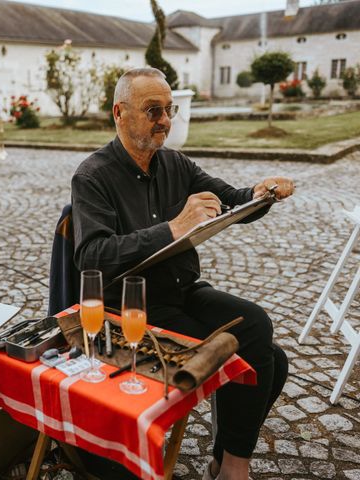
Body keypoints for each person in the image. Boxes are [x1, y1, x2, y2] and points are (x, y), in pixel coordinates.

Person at [71, 68, 294, 480]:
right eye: (153, 110)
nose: (165, 120)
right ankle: (229, 467)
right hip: (133, 311)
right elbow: (91, 256)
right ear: (119, 113)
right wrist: (173, 227)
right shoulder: (93, 176)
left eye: (168, 109)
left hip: (183, 291)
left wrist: (261, 194)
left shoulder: (175, 163)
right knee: (270, 358)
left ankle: (227, 463)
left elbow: (231, 200)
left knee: (258, 326)